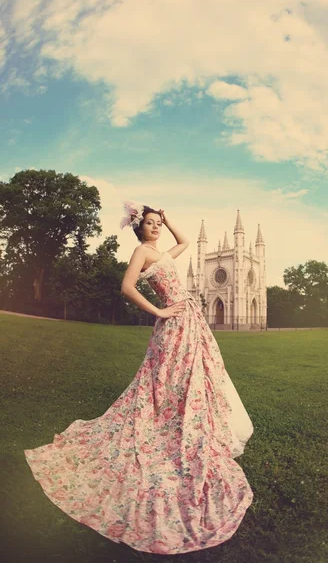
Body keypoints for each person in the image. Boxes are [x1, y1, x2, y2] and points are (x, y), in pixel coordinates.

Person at [24, 200, 254, 555]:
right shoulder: (140, 253)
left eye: (156, 222)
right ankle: (162, 426)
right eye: (149, 223)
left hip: (189, 321)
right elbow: (127, 287)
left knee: (191, 378)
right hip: (172, 322)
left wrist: (168, 216)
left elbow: (186, 241)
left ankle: (182, 421)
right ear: (139, 227)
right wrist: (160, 310)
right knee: (163, 382)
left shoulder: (161, 252)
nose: (155, 227)